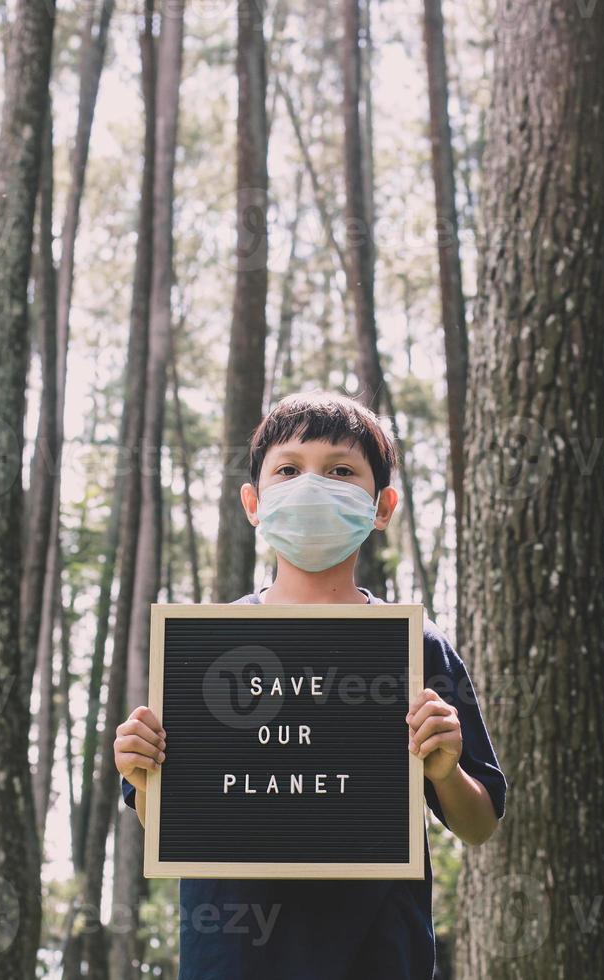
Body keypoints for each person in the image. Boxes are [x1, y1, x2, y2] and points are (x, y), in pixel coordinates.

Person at [115, 389, 506, 979]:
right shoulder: (202, 648)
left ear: (382, 506)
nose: (312, 485)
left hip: (379, 958)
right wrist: (143, 770)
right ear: (253, 502)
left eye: (342, 471)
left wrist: (446, 770)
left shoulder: (417, 647)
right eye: (289, 469)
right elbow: (167, 816)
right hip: (233, 960)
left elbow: (479, 824)